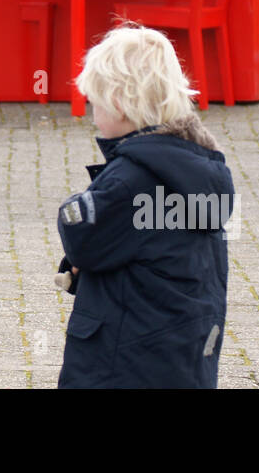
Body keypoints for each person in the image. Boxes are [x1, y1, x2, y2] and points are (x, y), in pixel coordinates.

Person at [56, 24, 233, 389]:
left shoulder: (130, 179)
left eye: (96, 102)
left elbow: (83, 235)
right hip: (183, 349)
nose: (93, 114)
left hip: (122, 357)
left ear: (118, 103)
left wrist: (73, 205)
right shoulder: (202, 169)